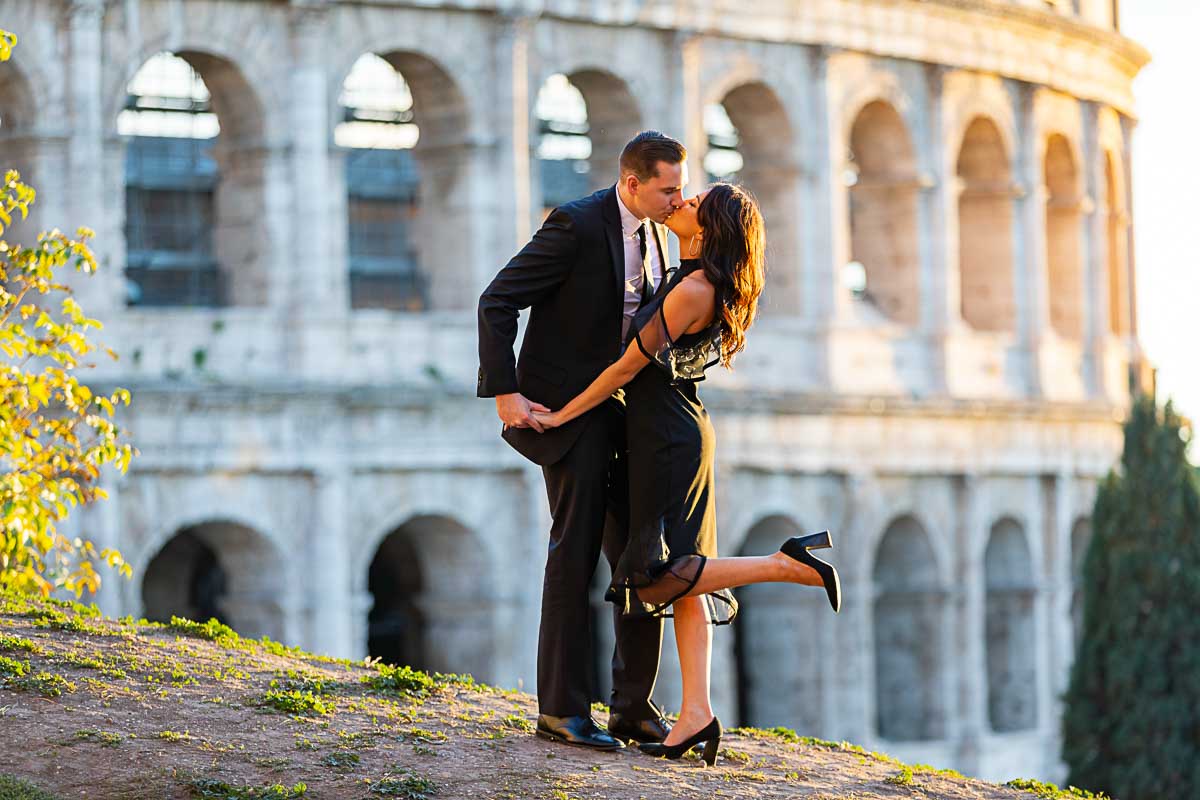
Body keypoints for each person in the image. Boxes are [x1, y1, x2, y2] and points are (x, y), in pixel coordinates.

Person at [531, 183, 841, 766]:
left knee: (655, 575)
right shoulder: (696, 278)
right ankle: (695, 712)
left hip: (667, 440)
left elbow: (627, 366)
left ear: (709, 228)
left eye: (693, 201)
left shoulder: (693, 288)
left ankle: (786, 563)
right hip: (674, 431)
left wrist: (565, 414)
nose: (681, 202)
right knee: (687, 580)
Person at [476, 131, 690, 750]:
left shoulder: (655, 230)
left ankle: (632, 709)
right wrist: (506, 392)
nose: (678, 199)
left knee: (638, 556)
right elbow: (497, 301)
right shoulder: (574, 224)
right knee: (573, 555)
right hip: (569, 413)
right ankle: (561, 710)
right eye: (667, 189)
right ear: (631, 184)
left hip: (627, 411)